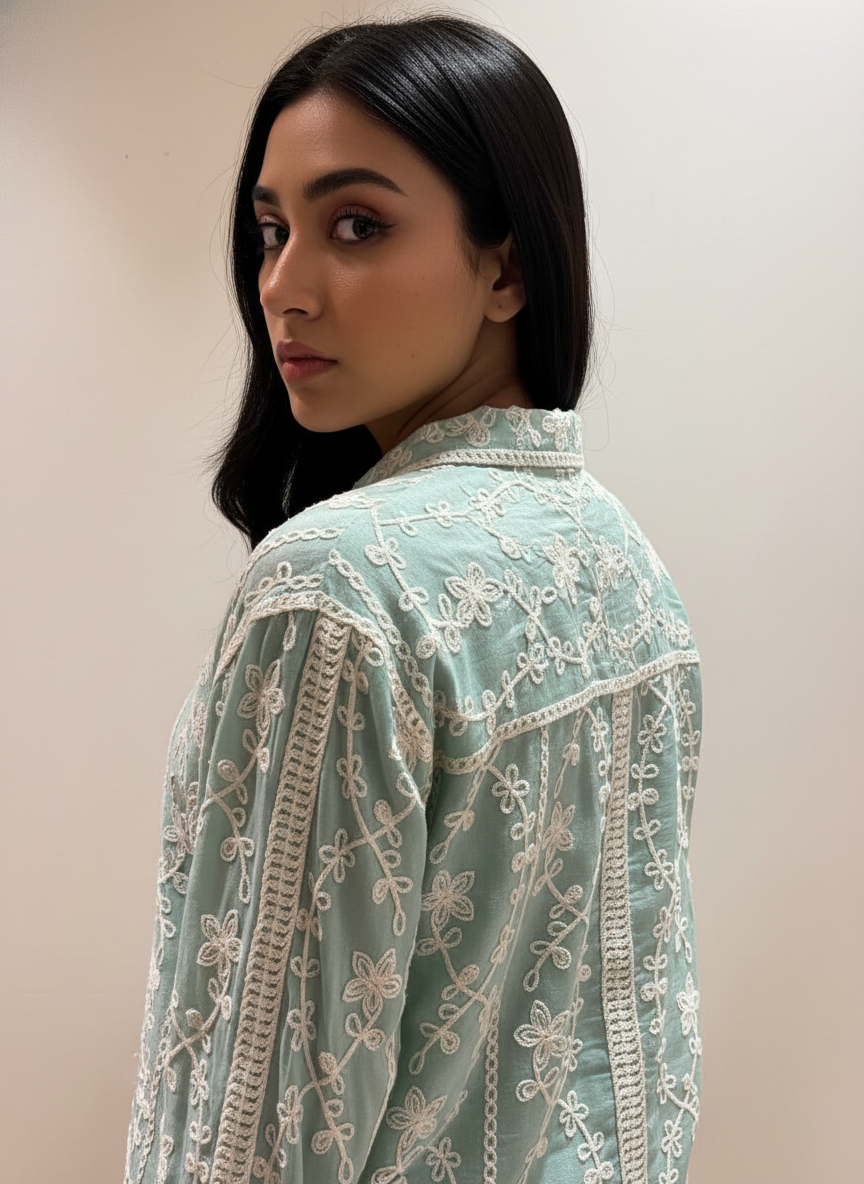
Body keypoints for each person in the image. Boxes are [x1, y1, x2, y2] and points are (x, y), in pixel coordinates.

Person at [124, 16, 702, 1184]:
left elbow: (256, 1132)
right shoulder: (627, 565)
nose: (282, 286)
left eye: (356, 225)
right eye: (272, 231)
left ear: (509, 268)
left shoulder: (334, 590)